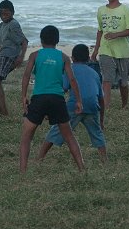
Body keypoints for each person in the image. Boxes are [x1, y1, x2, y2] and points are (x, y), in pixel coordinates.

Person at [19, 26, 85, 173]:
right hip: (57, 99)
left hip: (39, 98)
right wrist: (79, 100)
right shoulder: (63, 57)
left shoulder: (35, 55)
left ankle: (22, 171)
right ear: (57, 40)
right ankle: (82, 168)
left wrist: (23, 96)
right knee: (69, 136)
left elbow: (26, 76)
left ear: (41, 40)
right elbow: (72, 80)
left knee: (26, 136)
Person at [37, 44, 107, 163]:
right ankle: (104, 160)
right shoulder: (95, 73)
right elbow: (101, 99)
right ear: (88, 58)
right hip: (92, 106)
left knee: (56, 131)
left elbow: (62, 89)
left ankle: (39, 158)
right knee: (97, 133)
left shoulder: (69, 69)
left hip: (74, 106)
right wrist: (101, 120)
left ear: (72, 58)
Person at [90, 0, 129, 109]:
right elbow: (100, 31)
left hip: (122, 51)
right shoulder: (101, 10)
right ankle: (106, 106)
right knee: (106, 80)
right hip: (106, 50)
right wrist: (96, 50)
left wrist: (115, 35)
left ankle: (124, 104)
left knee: (123, 81)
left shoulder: (125, 10)